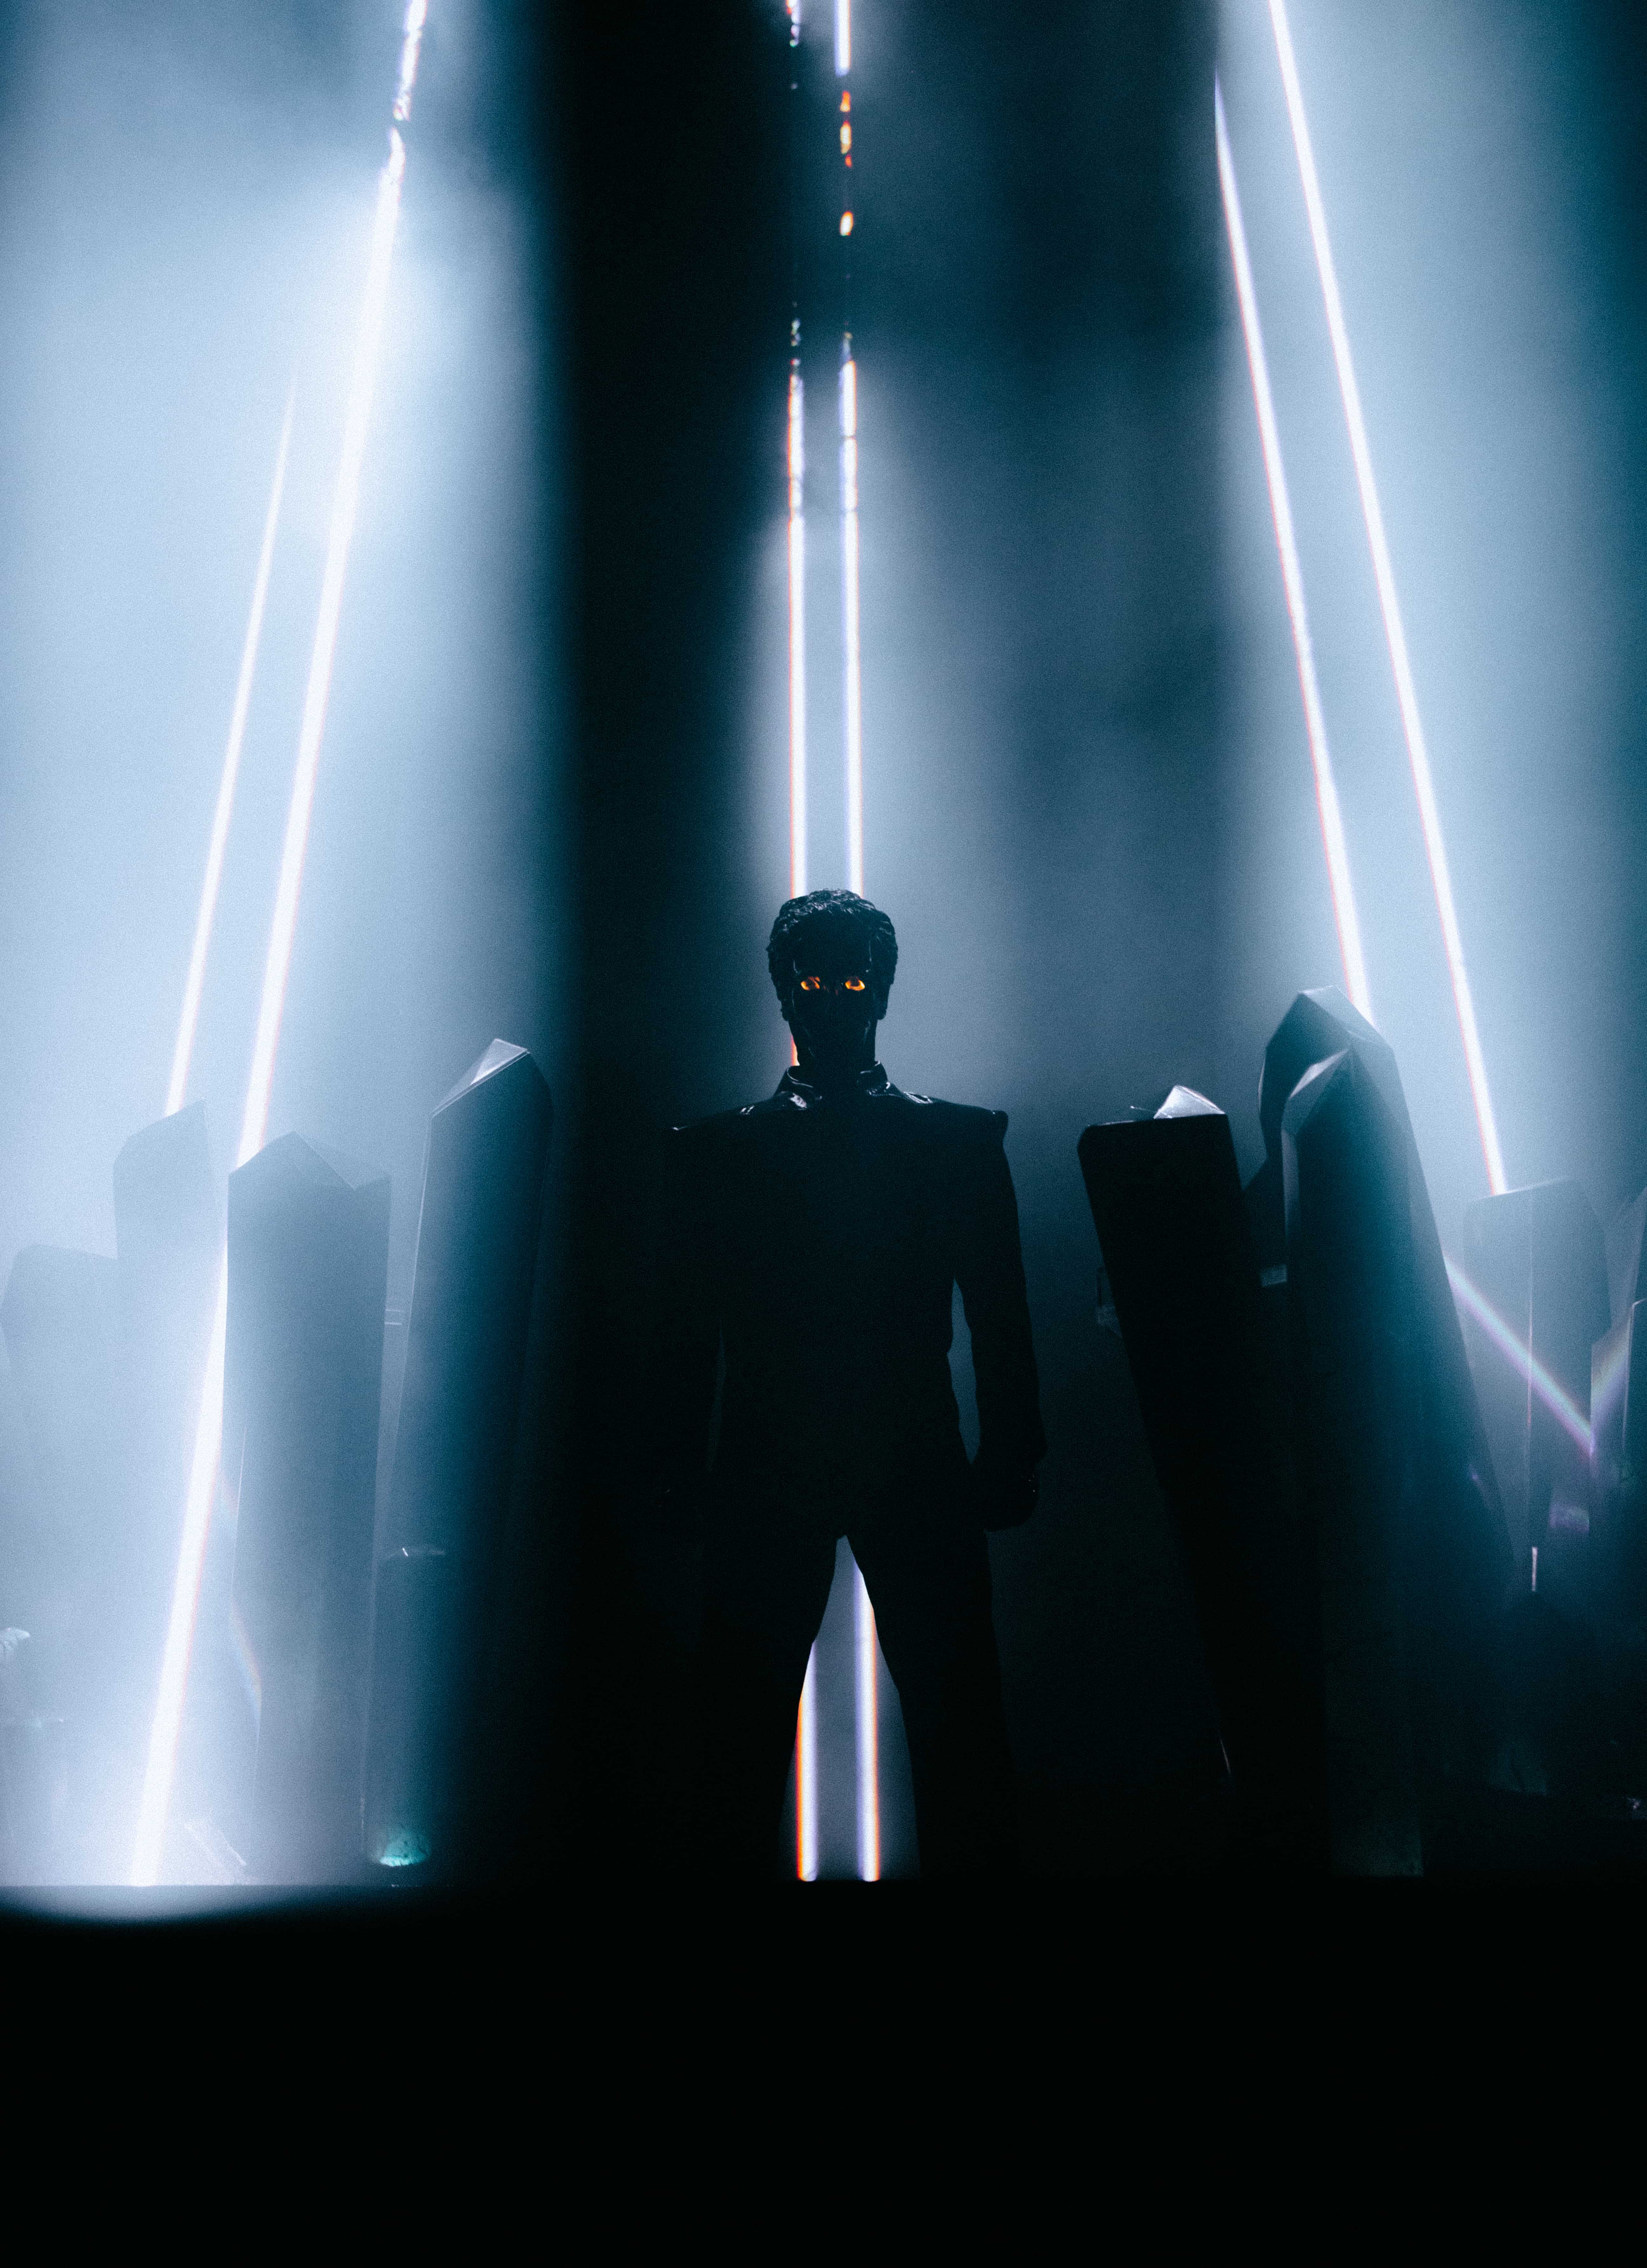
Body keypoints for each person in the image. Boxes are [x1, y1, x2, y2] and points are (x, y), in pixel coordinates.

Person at [652, 888, 1044, 1875]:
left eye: (852, 977)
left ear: (886, 986)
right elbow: (684, 1331)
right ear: (784, 990)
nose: (832, 1000)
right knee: (746, 1734)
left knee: (945, 1721)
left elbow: (1002, 1315)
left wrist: (1011, 1448)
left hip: (835, 1453)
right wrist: (1007, 1452)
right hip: (842, 1453)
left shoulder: (735, 1155)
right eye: (815, 978)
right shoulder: (938, 1146)